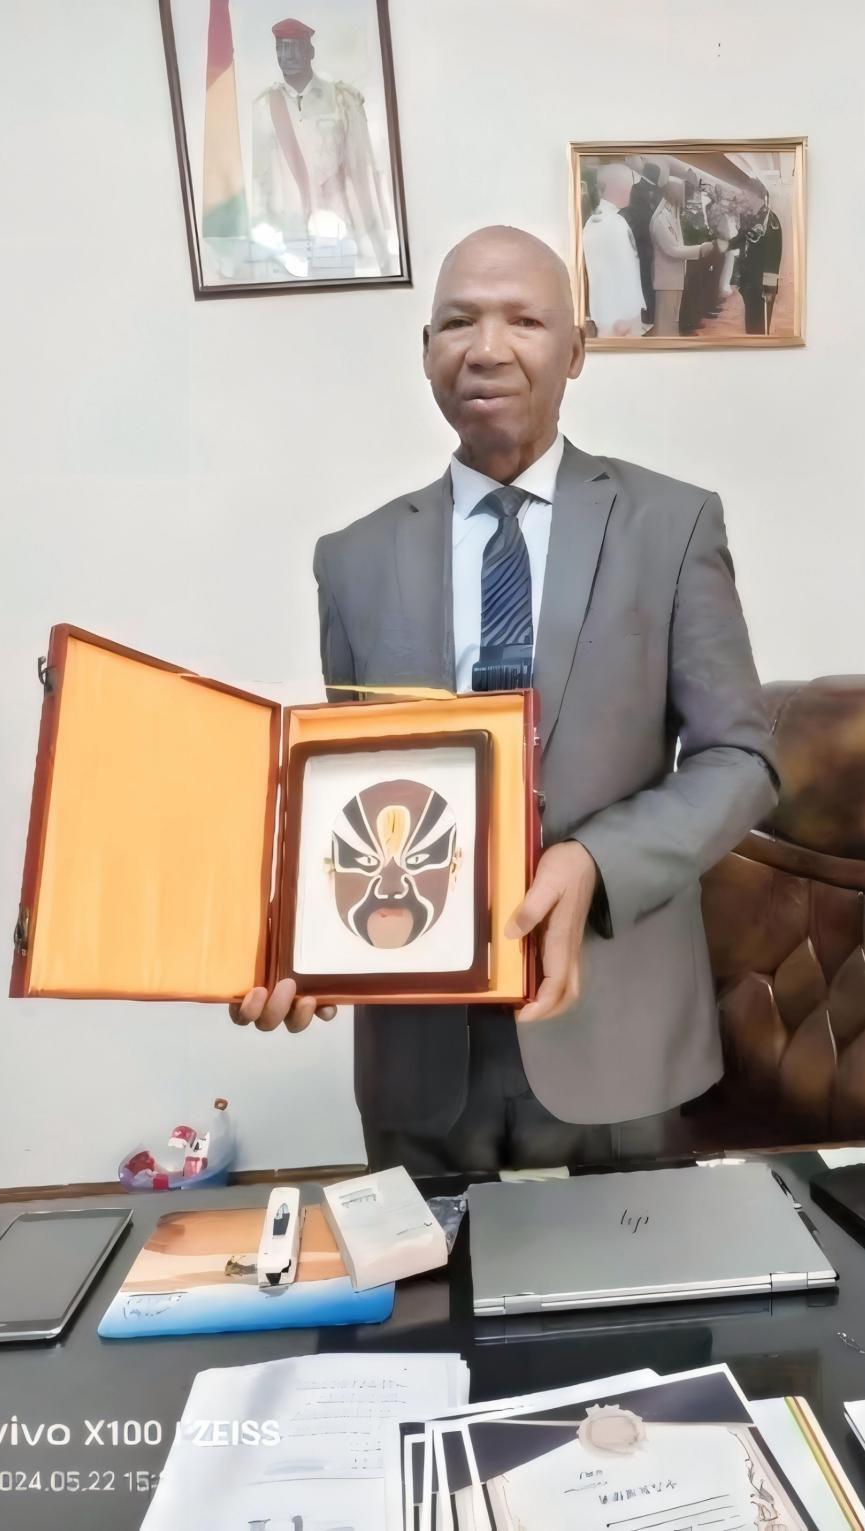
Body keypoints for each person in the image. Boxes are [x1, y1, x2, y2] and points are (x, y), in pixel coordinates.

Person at [232, 226, 778, 1175]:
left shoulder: (673, 524)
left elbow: (742, 759)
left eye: (524, 320)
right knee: (430, 1277)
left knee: (636, 1275)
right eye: (458, 323)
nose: (486, 348)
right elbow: (350, 794)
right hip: (419, 1048)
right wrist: (287, 941)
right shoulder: (351, 559)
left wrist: (595, 859)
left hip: (617, 1025)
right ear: (427, 352)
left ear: (577, 350)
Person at [250, 16, 392, 273]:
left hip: (340, 230)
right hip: (290, 238)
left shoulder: (342, 100)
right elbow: (262, 178)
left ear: (310, 51)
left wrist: (379, 250)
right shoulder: (265, 106)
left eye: (294, 47)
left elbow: (364, 172)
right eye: (281, 48)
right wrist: (265, 243)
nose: (287, 56)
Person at [582, 163, 645, 338]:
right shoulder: (614, 223)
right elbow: (623, 272)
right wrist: (626, 315)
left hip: (609, 314)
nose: (630, 191)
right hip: (620, 319)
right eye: (628, 186)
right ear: (618, 188)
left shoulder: (598, 220)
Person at [650, 178, 714, 337]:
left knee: (673, 322)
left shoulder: (672, 214)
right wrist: (700, 249)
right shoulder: (660, 219)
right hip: (666, 281)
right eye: (682, 191)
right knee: (665, 325)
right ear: (672, 192)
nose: (685, 195)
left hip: (675, 278)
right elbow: (672, 250)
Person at [731, 192, 783, 335]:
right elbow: (740, 240)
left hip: (760, 285)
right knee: (751, 324)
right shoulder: (752, 218)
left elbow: (773, 258)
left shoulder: (770, 221)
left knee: (759, 328)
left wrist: (769, 289)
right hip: (748, 282)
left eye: (746, 196)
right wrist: (718, 245)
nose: (744, 200)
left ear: (757, 197)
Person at [620, 158, 662, 326]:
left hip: (642, 241)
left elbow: (636, 216)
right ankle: (655, 312)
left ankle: (648, 314)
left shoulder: (636, 189)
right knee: (654, 277)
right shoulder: (660, 192)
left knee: (644, 277)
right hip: (658, 241)